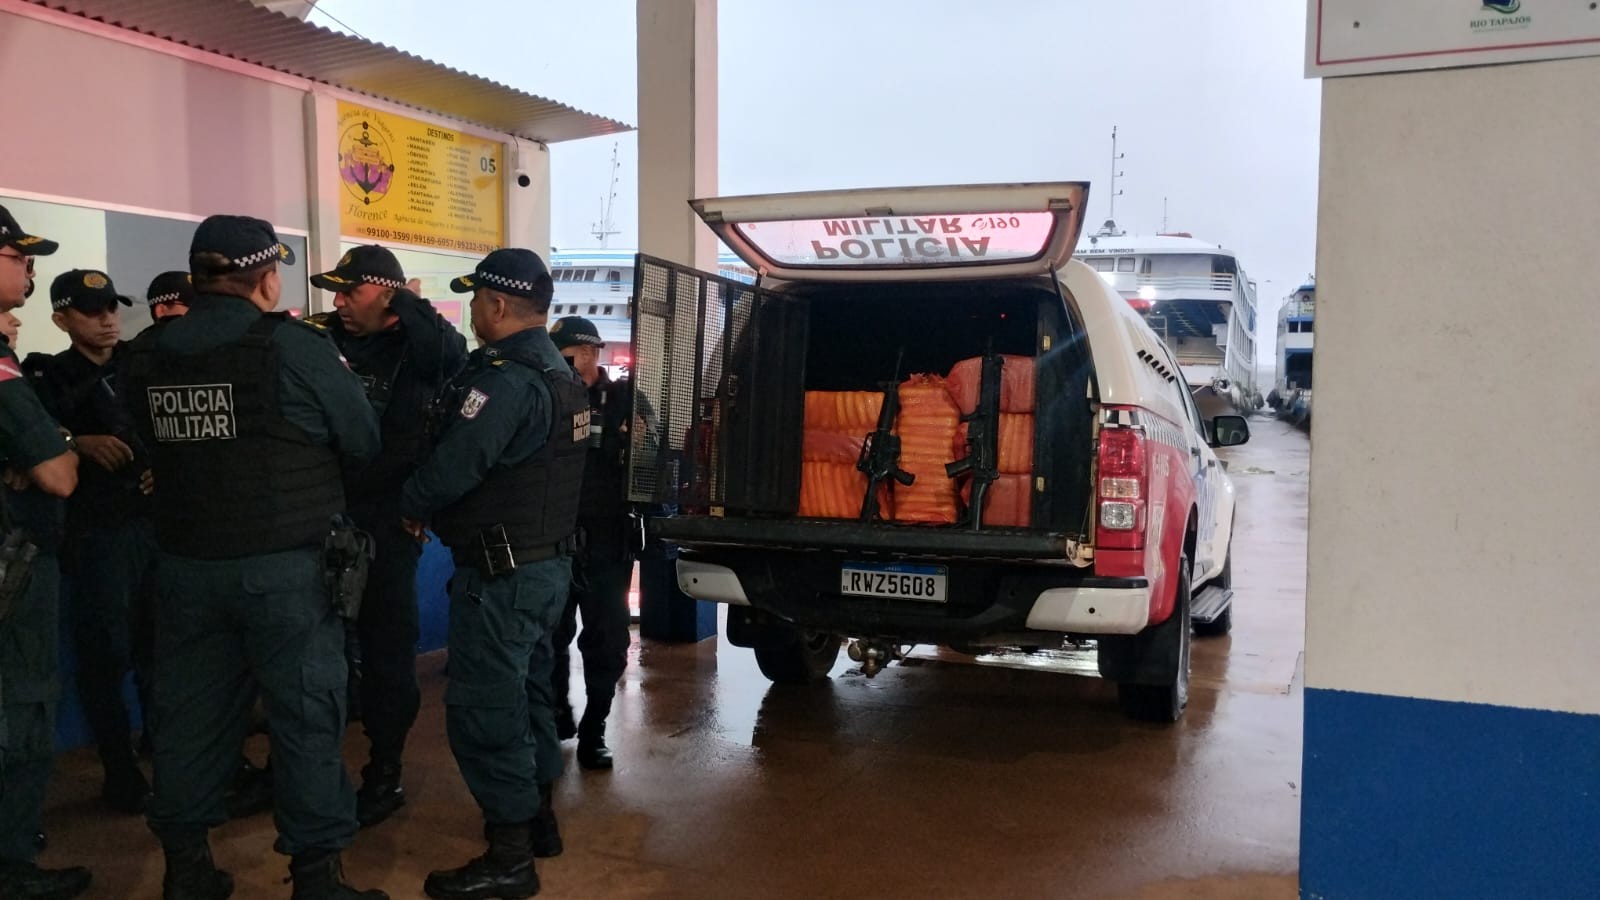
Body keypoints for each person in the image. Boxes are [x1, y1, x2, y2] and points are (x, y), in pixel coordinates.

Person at [122, 214, 386, 900]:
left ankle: (187, 871)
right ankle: (317, 879)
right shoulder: (294, 347)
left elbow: (147, 443)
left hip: (185, 568)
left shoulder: (148, 353)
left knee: (187, 721)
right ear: (267, 278)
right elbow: (362, 439)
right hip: (286, 573)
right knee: (305, 719)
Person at [399, 248, 588, 900]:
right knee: (530, 696)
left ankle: (510, 858)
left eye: (476, 299)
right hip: (545, 567)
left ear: (498, 304)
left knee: (486, 711)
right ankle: (538, 823)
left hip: (502, 578)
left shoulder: (505, 382)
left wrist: (408, 504)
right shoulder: (560, 374)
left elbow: (457, 466)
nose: (474, 312)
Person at [307, 245, 466, 828]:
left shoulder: (420, 347)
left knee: (387, 653)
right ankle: (298, 769)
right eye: (336, 292)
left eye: (351, 291)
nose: (338, 303)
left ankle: (385, 770)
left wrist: (409, 304)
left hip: (388, 523)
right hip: (317, 514)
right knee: (308, 651)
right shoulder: (321, 339)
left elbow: (449, 355)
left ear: (387, 293)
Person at [23, 269, 156, 816]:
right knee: (105, 655)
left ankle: (167, 755)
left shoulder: (144, 365)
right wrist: (76, 441)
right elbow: (27, 442)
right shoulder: (47, 378)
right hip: (96, 534)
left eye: (112, 308)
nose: (107, 320)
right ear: (61, 319)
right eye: (91, 311)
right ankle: (120, 771)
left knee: (161, 650)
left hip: (154, 527)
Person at [0, 205, 89, 899]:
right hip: (14, 569)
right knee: (23, 709)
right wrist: (59, 444)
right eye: (16, 256)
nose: (28, 269)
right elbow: (59, 475)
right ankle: (12, 866)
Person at [546, 316, 635, 771]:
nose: (558, 361)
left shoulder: (625, 399)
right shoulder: (548, 395)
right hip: (553, 537)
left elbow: (655, 453)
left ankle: (594, 729)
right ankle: (556, 710)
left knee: (606, 639)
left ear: (588, 353)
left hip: (606, 539)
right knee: (550, 633)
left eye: (566, 353)